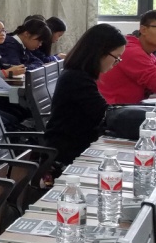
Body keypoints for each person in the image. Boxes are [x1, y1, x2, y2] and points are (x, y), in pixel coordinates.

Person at [44, 24, 128, 172]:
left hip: (79, 143)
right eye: (117, 57)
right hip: (68, 152)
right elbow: (104, 114)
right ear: (100, 52)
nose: (117, 63)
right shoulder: (76, 78)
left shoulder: (81, 74)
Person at [98, 10, 156, 104]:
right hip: (109, 109)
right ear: (143, 30)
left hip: (125, 108)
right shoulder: (131, 51)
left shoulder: (149, 54)